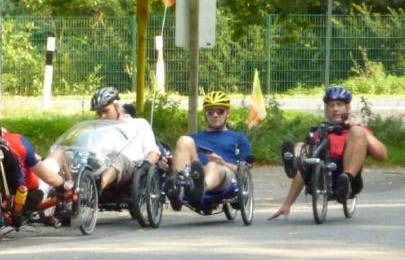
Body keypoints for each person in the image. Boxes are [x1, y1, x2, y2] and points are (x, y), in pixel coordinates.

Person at [269, 85, 387, 220]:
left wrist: (361, 131)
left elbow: (382, 155)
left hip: (347, 174)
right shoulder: (321, 131)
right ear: (326, 109)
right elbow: (307, 166)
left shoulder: (357, 130)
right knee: (303, 145)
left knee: (357, 132)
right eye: (331, 105)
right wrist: (287, 204)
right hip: (320, 173)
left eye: (339, 104)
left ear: (347, 107)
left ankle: (345, 180)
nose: (335, 109)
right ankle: (293, 165)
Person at [0, 96, 70, 210]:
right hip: (29, 194)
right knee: (59, 153)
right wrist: (62, 184)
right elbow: (49, 178)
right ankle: (70, 189)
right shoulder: (17, 140)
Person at [52, 86, 159, 192]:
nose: (102, 116)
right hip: (100, 163)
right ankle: (50, 188)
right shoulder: (97, 129)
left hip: (129, 167)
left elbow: (153, 152)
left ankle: (96, 189)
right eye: (99, 113)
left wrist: (145, 165)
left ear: (117, 107)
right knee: (62, 152)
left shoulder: (139, 124)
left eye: (105, 111)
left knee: (117, 158)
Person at [165, 90, 252, 207]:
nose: (215, 115)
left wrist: (222, 162)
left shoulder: (239, 138)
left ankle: (200, 189)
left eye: (220, 111)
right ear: (205, 114)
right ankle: (177, 187)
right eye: (210, 112)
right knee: (183, 140)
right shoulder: (195, 138)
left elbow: (244, 170)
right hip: (196, 172)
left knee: (213, 165)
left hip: (224, 175)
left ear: (228, 113)